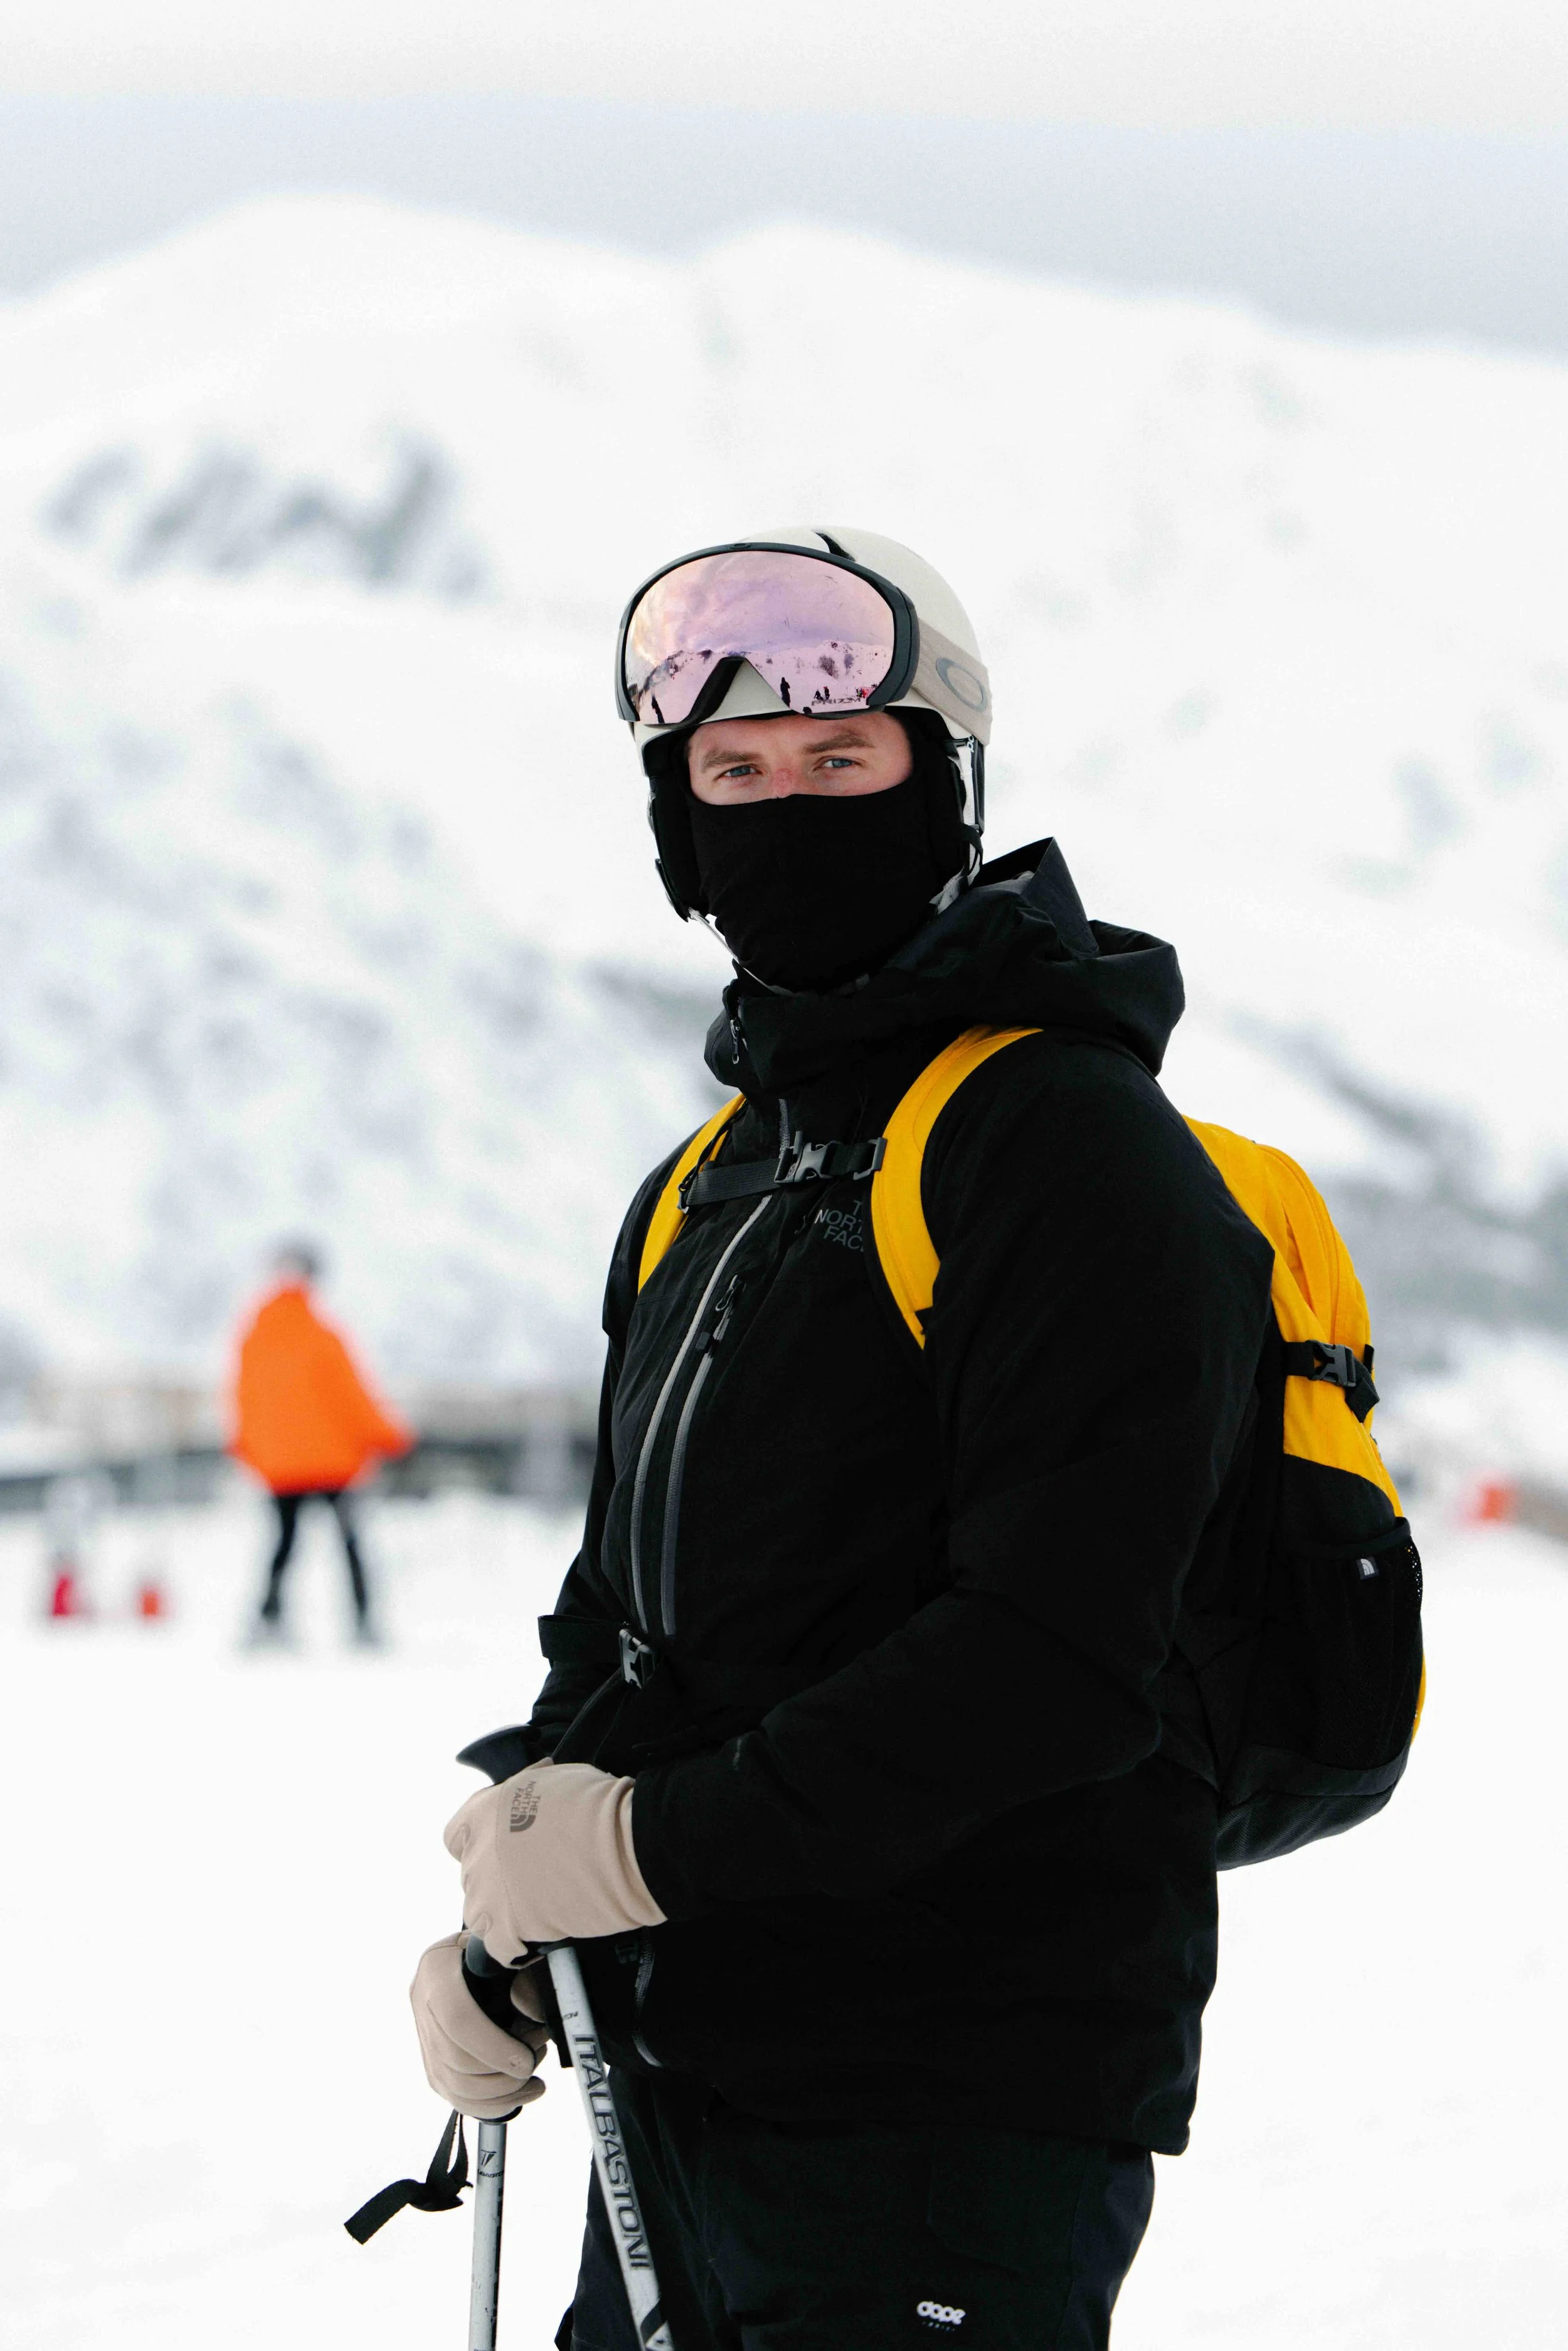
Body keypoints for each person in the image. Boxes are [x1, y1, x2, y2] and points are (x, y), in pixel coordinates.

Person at [409, 531, 1278, 2348]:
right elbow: (631, 1613)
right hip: (703, 2066)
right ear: (675, 823)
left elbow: (1051, 1657)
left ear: (939, 784)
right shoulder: (713, 1182)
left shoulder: (1066, 1150)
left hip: (952, 2086)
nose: (781, 809)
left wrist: (644, 1851)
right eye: (730, 774)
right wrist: (519, 1902)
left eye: (838, 761)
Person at [230, 1242, 411, 1643]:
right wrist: (389, 1437)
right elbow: (352, 1396)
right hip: (334, 1463)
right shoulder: (322, 1334)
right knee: (349, 1543)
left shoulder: (253, 1337)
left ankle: (269, 1619)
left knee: (284, 1543)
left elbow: (242, 1401)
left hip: (279, 1466)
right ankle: (363, 1622)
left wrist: (249, 1448)